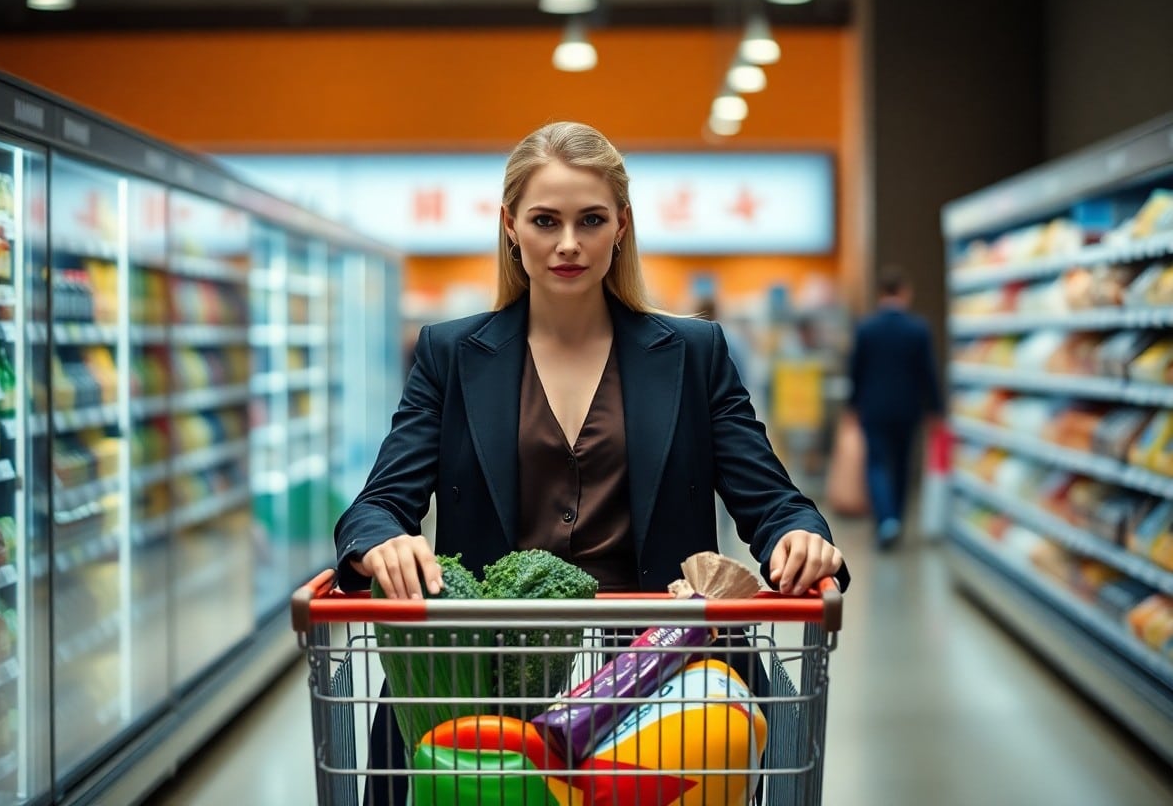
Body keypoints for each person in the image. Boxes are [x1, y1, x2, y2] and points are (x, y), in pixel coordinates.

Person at [333, 121, 850, 804]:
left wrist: (799, 535)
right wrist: (384, 543)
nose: (569, 243)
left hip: (667, 692)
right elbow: (377, 505)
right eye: (545, 220)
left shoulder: (693, 355)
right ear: (511, 226)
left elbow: (772, 499)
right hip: (490, 690)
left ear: (622, 226)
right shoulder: (451, 357)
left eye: (591, 220)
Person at [847, 265, 944, 549]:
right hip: (908, 409)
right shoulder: (918, 329)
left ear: (880, 294)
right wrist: (935, 410)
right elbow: (928, 372)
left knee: (876, 463)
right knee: (902, 464)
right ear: (904, 292)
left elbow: (856, 370)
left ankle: (885, 519)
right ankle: (897, 520)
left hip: (873, 408)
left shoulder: (866, 328)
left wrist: (852, 406)